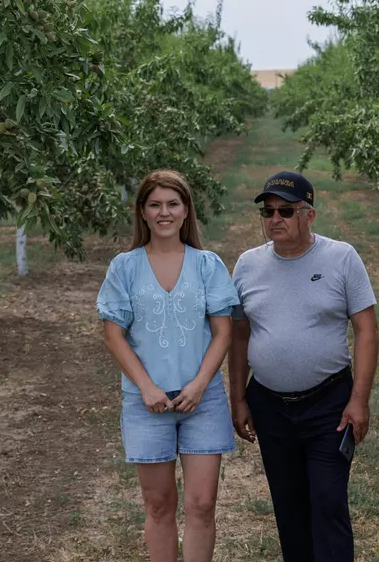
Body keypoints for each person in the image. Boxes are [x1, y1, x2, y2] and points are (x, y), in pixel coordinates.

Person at [228, 170, 379, 562]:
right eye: (268, 211)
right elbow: (239, 335)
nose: (274, 219)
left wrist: (359, 399)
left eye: (285, 211)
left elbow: (366, 330)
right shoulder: (247, 265)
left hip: (329, 404)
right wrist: (238, 398)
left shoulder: (341, 257)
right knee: (289, 505)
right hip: (270, 406)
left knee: (327, 502)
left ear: (309, 215)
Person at [97, 169, 240, 562]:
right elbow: (113, 335)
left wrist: (198, 385)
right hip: (147, 403)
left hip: (202, 401)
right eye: (155, 204)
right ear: (142, 212)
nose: (164, 212)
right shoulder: (124, 267)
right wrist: (145, 386)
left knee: (201, 504)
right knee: (159, 505)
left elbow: (223, 333)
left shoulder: (207, 264)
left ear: (186, 210)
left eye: (173, 204)